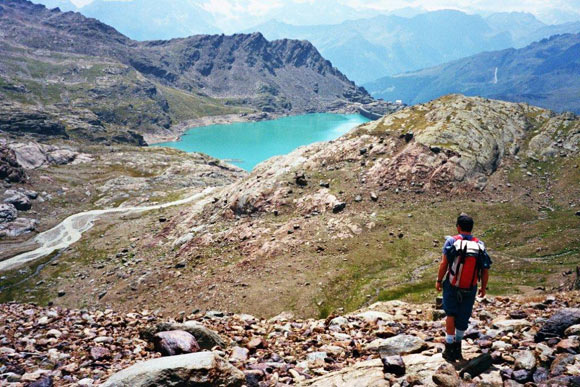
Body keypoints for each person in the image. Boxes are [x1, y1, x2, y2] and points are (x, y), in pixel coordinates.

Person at [435, 214, 492, 362]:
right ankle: (458, 347)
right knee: (463, 316)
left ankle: (449, 347)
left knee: (451, 314)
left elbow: (444, 264)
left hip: (453, 285)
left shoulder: (452, 241)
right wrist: (483, 287)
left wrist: (439, 280)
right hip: (470, 286)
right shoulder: (479, 244)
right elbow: (485, 269)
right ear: (471, 228)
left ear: (458, 227)